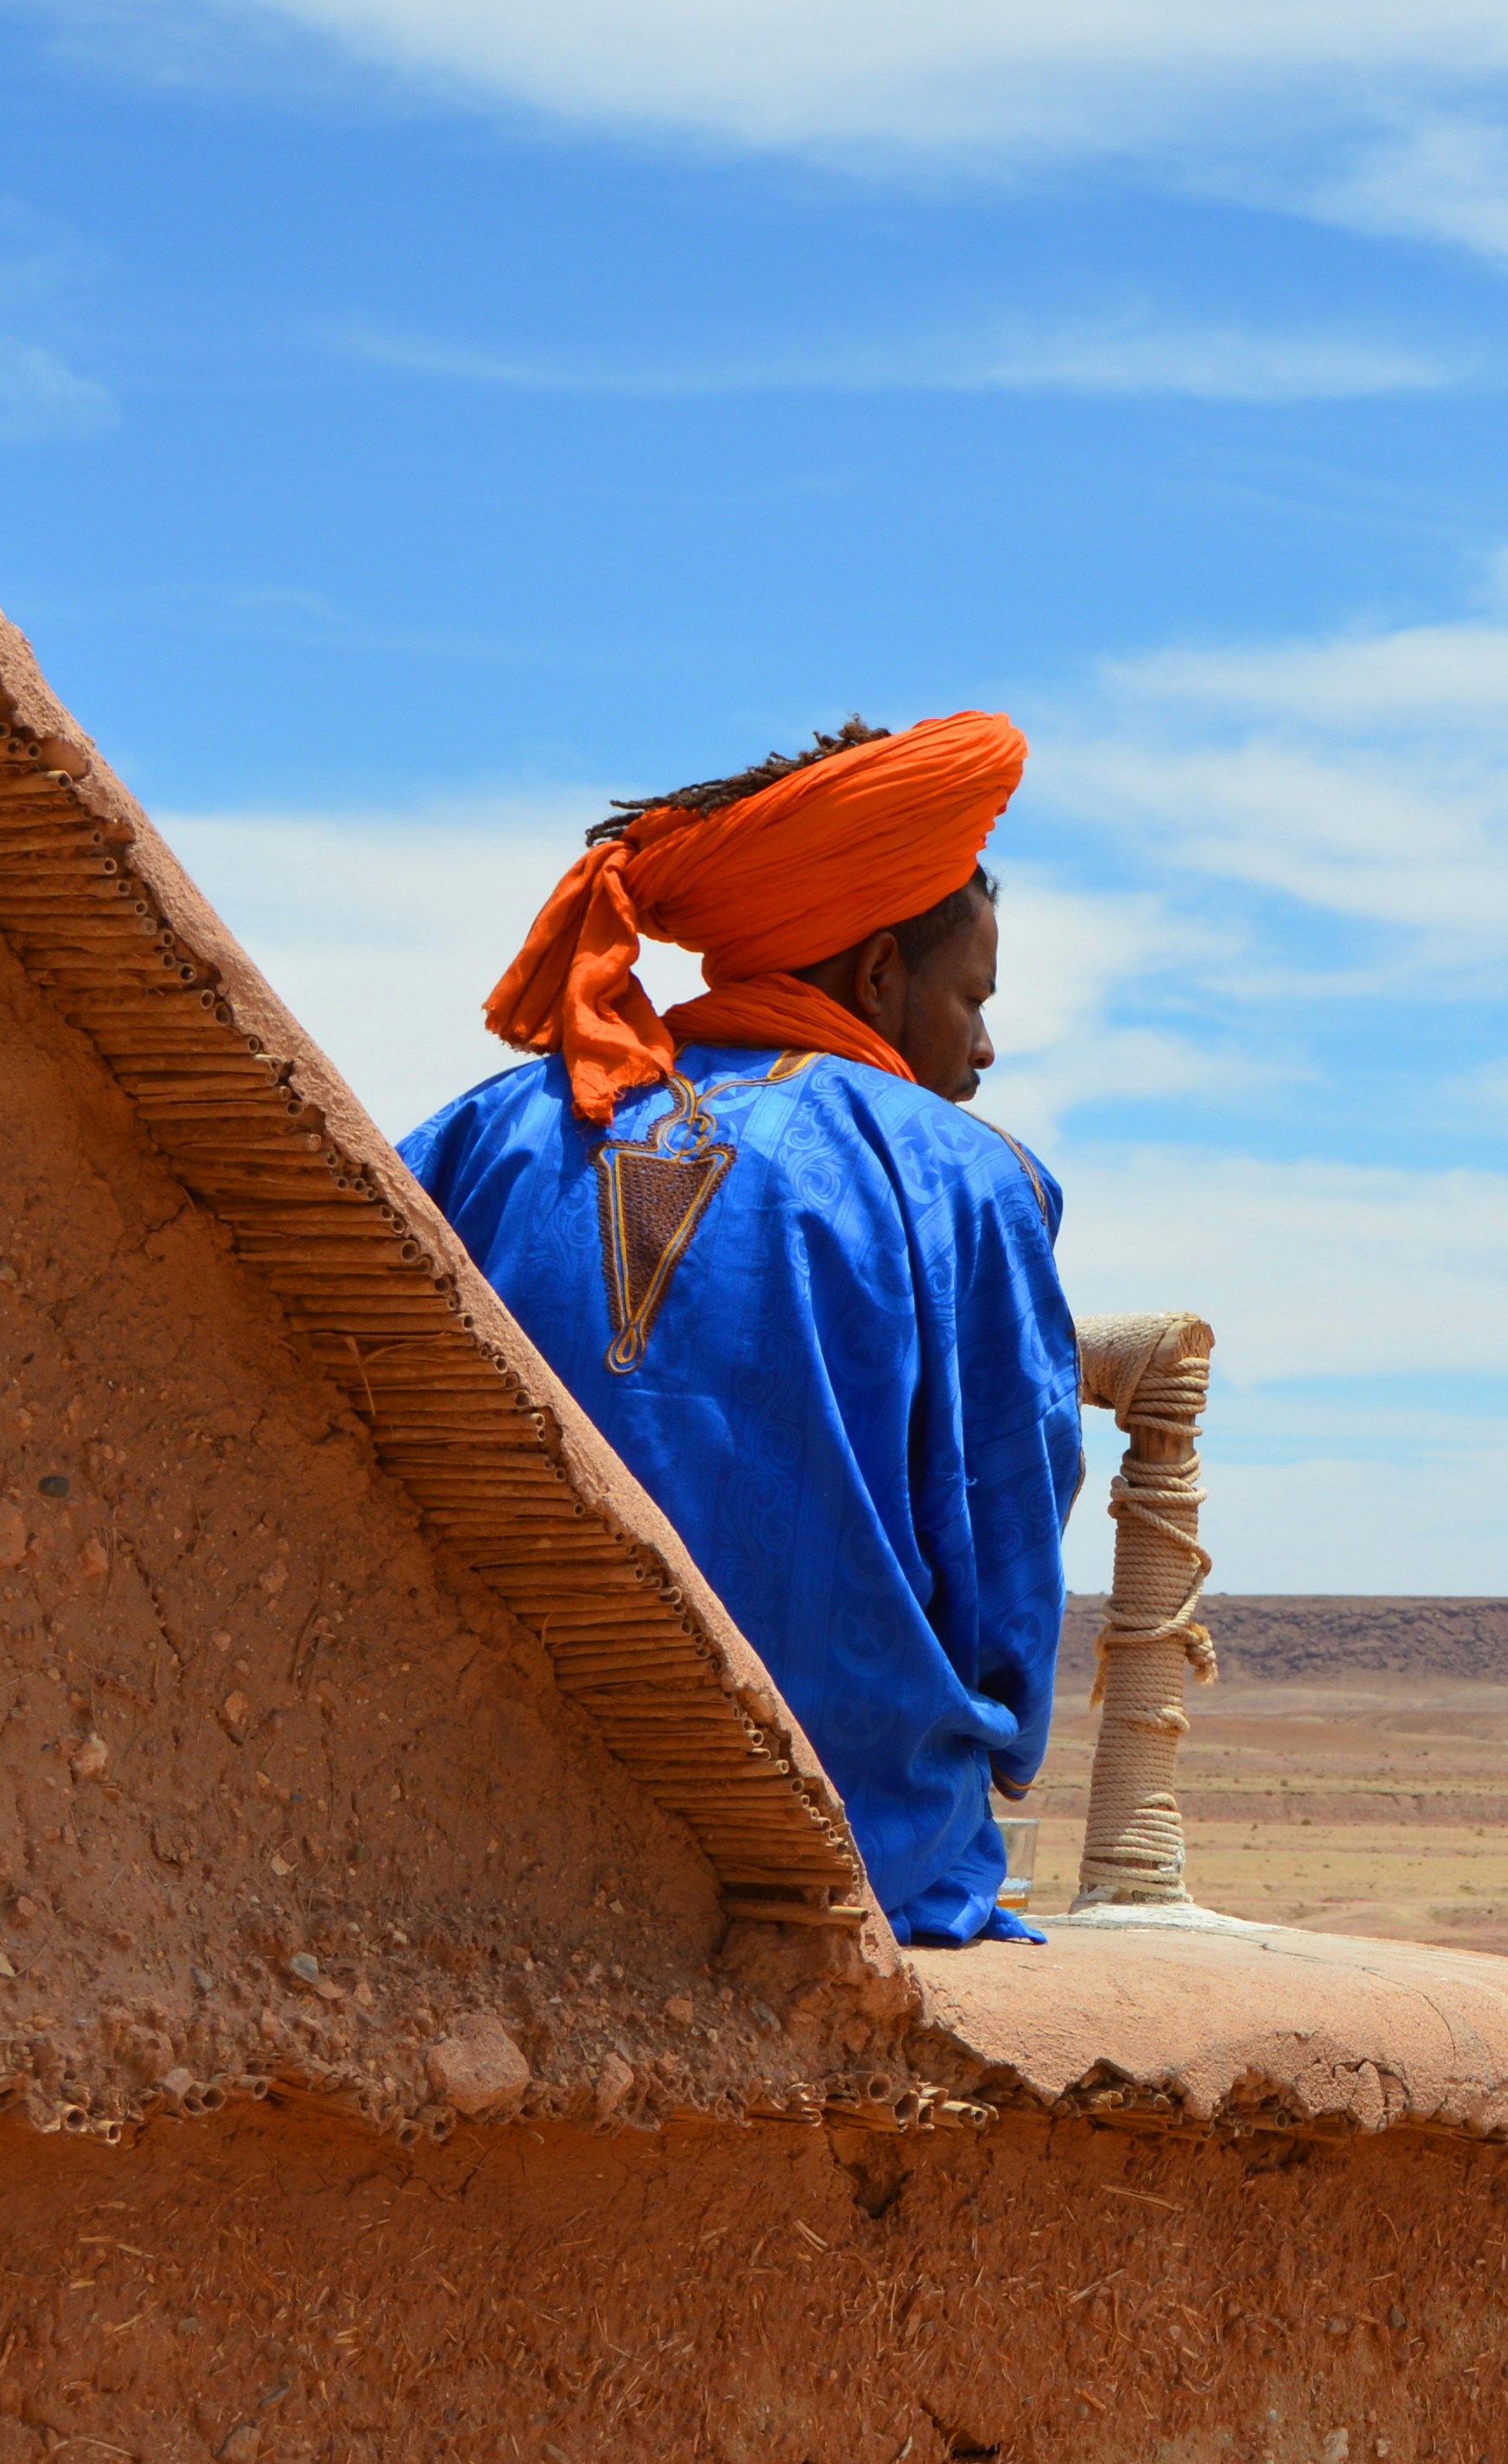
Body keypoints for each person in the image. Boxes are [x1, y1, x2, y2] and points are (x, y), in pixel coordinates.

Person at [402, 712, 1082, 1943]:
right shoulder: (964, 1179)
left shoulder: (483, 1134)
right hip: (838, 1843)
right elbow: (1006, 1528)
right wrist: (1009, 1736)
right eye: (970, 996)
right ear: (877, 975)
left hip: (467, 1812)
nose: (981, 1046)